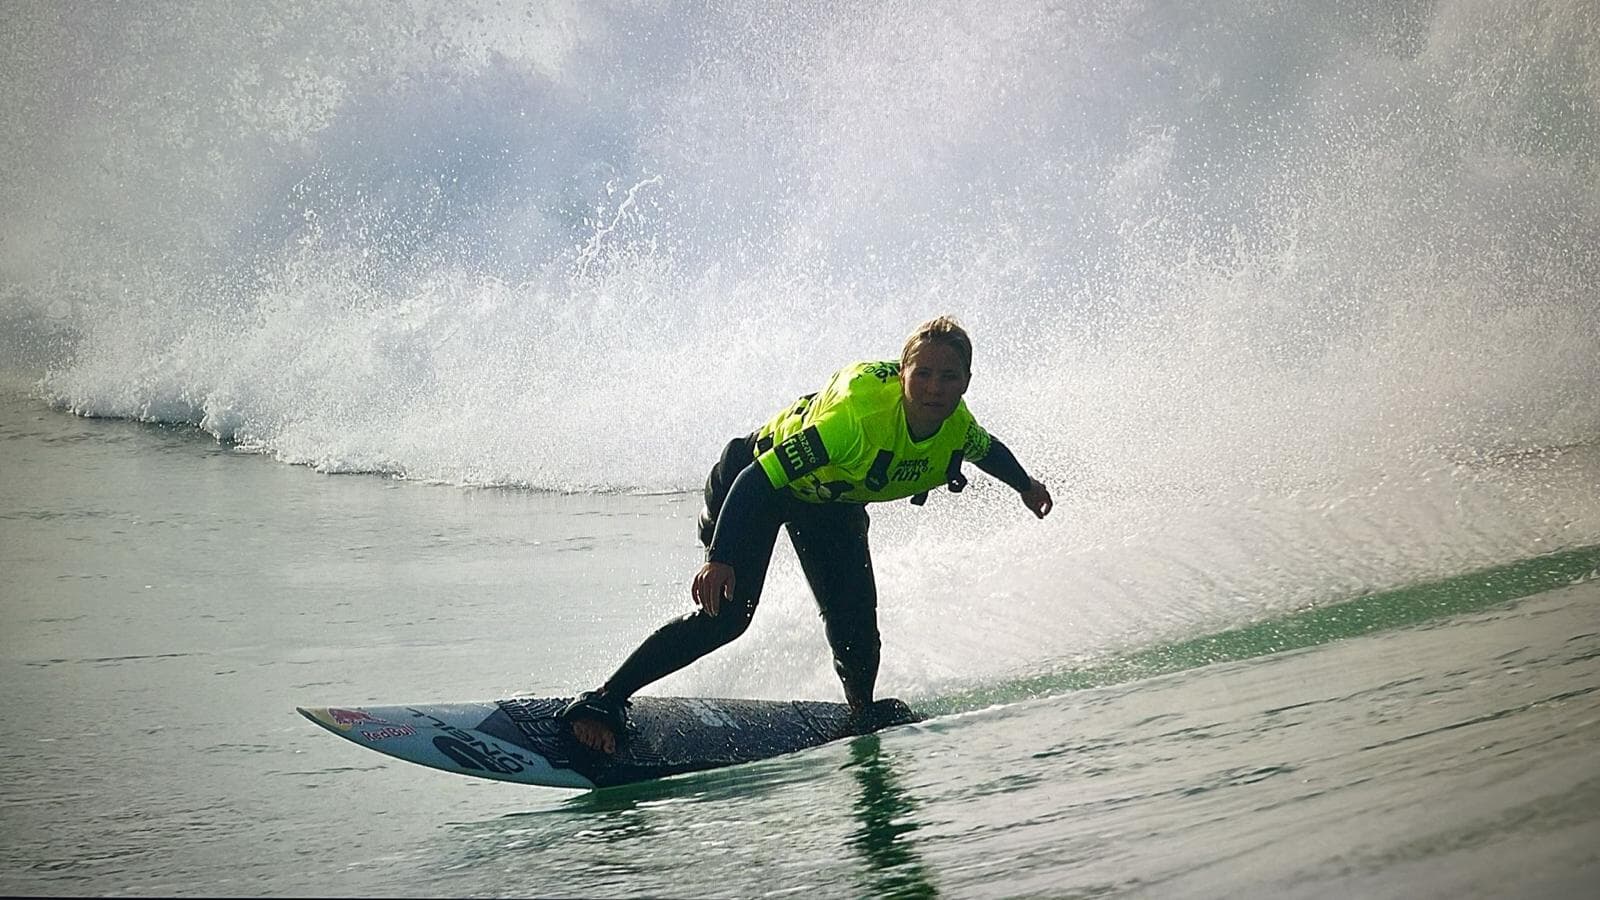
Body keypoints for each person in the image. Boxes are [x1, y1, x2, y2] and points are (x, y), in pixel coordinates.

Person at [563, 316, 1053, 753]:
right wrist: (719, 555)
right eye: (921, 373)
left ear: (966, 383)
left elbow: (988, 452)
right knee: (729, 617)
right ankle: (603, 701)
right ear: (902, 373)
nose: (933, 389)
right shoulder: (856, 423)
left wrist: (1025, 485)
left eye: (948, 377)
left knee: (858, 630)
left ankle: (860, 712)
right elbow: (758, 479)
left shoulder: (959, 428)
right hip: (754, 479)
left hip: (829, 502)